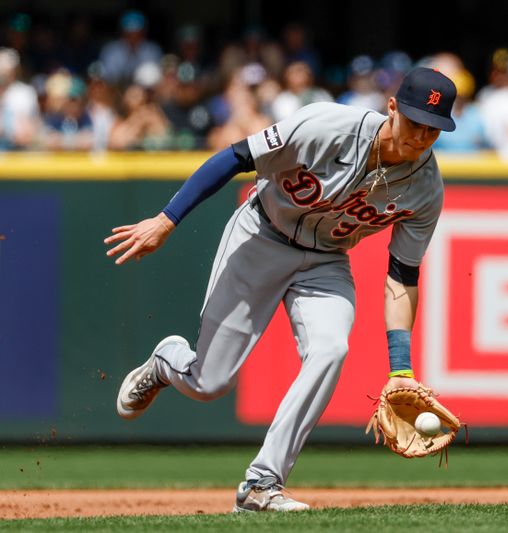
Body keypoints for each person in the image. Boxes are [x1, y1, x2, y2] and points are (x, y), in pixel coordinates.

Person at [105, 67, 456, 512]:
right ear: (391, 107)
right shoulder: (326, 126)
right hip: (261, 235)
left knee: (330, 349)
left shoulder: (425, 189)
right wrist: (167, 219)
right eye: (415, 122)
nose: (422, 136)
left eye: (434, 130)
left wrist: (401, 370)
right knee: (211, 382)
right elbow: (235, 156)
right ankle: (165, 363)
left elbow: (402, 277)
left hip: (327, 259)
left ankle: (261, 483)